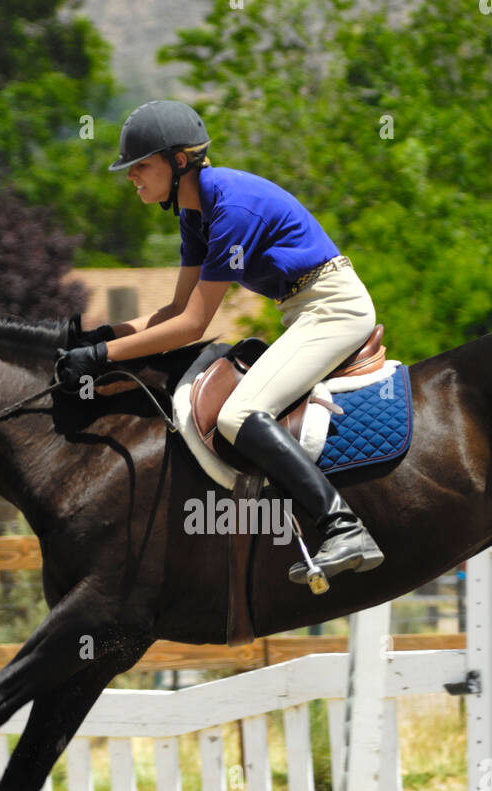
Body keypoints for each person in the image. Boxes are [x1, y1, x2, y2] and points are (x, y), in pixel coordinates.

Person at [56, 100, 384, 586]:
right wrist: (105, 338)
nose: (132, 177)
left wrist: (102, 357)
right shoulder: (195, 215)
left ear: (179, 161)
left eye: (141, 165)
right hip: (302, 310)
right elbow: (172, 311)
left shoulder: (231, 208)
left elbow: (192, 326)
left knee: (237, 415)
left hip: (333, 308)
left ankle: (342, 524)